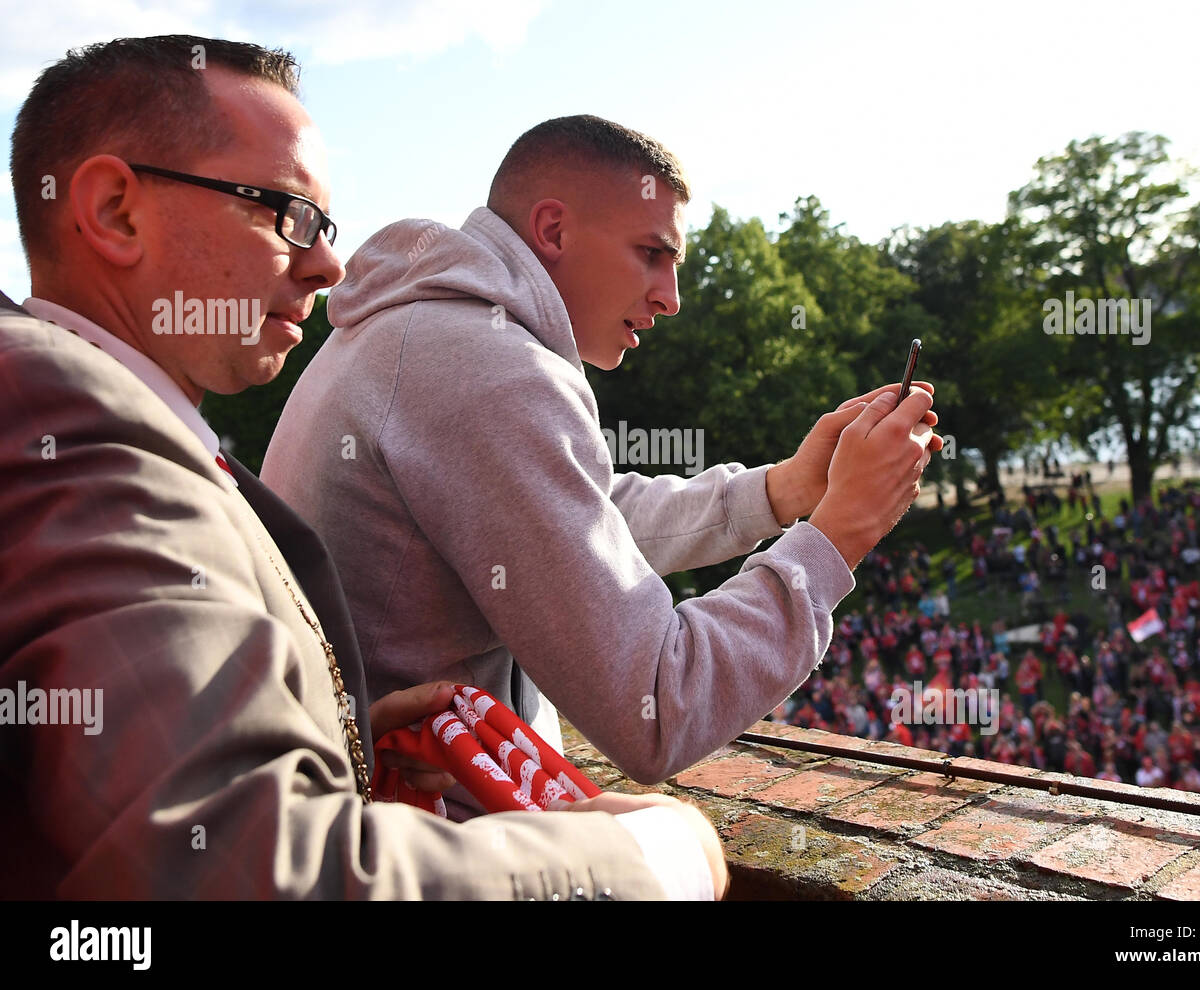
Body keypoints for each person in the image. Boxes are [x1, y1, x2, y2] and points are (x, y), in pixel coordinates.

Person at [0, 37, 724, 899]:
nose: (328, 264)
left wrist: (338, 748)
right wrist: (644, 864)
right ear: (117, 210)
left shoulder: (84, 424)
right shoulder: (83, 440)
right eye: (284, 211)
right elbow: (243, 873)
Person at [262, 114, 942, 801]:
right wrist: (839, 535)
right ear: (553, 230)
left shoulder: (423, 331)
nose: (670, 298)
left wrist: (785, 490)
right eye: (652, 253)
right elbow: (659, 707)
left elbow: (575, 519)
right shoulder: (490, 368)